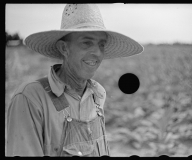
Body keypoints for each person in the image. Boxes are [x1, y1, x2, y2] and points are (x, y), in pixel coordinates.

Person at [6, 4, 143, 157]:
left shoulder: (97, 94)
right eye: (87, 42)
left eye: (101, 44)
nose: (97, 53)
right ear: (64, 48)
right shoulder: (30, 98)